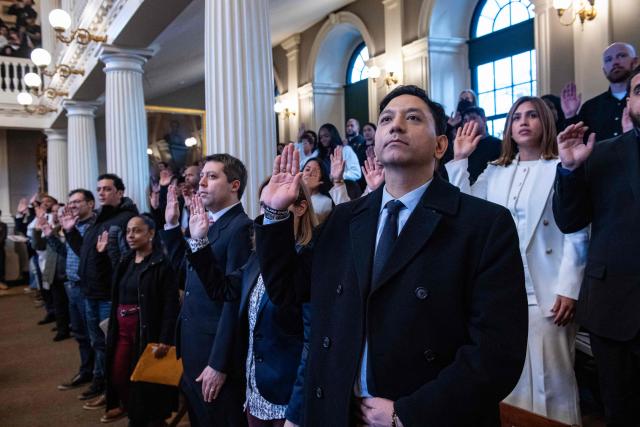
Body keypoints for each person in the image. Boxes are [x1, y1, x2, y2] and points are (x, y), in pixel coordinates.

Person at [255, 85, 527, 426]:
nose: (396, 125)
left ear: (441, 145)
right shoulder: (344, 219)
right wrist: (275, 215)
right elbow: (287, 291)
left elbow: (496, 354)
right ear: (377, 142)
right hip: (342, 413)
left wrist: (409, 413)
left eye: (412, 118)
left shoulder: (483, 224)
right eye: (386, 119)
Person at [446, 96, 589, 425]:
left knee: (554, 382)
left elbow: (577, 231)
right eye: (516, 117)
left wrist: (569, 288)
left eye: (532, 116)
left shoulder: (561, 166)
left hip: (548, 291)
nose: (523, 122)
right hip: (503, 291)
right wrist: (459, 160)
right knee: (510, 382)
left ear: (546, 123)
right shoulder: (495, 171)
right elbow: (464, 210)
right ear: (509, 128)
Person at [186, 182, 316, 427]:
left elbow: (312, 343)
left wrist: (297, 411)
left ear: (300, 208)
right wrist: (199, 242)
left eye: (276, 204)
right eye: (264, 206)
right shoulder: (258, 259)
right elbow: (222, 289)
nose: (267, 212)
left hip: (289, 398)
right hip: (254, 390)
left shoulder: (311, 258)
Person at [552, 65, 640, 426]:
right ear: (629, 103)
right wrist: (570, 171)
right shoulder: (600, 154)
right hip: (617, 311)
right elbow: (571, 221)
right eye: (639, 90)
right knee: (622, 414)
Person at [161, 153, 252, 427]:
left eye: (212, 176)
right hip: (193, 344)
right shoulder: (205, 222)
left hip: (215, 351)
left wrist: (219, 363)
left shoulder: (240, 228)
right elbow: (183, 275)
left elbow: (233, 300)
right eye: (202, 176)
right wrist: (171, 225)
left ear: (234, 185)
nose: (201, 182)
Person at [62, 174, 139, 405]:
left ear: (119, 192)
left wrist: (108, 253)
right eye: (99, 189)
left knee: (112, 345)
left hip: (109, 295)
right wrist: (69, 232)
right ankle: (101, 383)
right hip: (91, 292)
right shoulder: (101, 219)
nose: (102, 193)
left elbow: (129, 262)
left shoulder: (126, 219)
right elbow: (86, 252)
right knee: (97, 343)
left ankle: (113, 392)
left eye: (107, 189)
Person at [100, 215, 180, 425]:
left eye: (136, 230)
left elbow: (170, 306)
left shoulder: (161, 263)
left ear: (151, 233)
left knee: (145, 382)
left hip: (146, 330)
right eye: (128, 231)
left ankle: (147, 420)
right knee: (119, 375)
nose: (130, 236)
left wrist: (165, 338)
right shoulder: (126, 260)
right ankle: (135, 414)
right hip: (122, 330)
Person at [56, 189, 97, 391]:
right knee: (80, 334)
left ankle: (99, 379)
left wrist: (70, 231)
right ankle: (85, 371)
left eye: (77, 202)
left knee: (94, 336)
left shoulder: (93, 227)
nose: (72, 205)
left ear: (90, 204)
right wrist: (50, 236)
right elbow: (67, 253)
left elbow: (85, 254)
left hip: (86, 287)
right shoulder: (74, 225)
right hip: (71, 285)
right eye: (70, 202)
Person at [561, 42, 638, 140]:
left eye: (621, 56)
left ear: (635, 62)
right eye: (608, 59)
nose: (615, 62)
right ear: (604, 70)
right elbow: (576, 144)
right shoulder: (590, 108)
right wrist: (570, 115)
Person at [441, 106, 501, 184]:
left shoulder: (499, 144)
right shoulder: (460, 147)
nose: (468, 122)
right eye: (465, 120)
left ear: (484, 119)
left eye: (473, 118)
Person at [317, 123, 362, 199]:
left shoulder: (346, 150)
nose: (323, 139)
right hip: (326, 192)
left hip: (346, 190)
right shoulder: (320, 153)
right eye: (321, 137)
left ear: (333, 135)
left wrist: (338, 176)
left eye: (326, 136)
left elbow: (356, 173)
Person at [300, 158, 333, 224]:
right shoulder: (293, 195)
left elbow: (313, 225)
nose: (309, 173)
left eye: (314, 172)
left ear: (321, 178)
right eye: (307, 169)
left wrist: (308, 189)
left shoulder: (326, 201)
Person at [0, 210, 6, 290]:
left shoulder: (3, 225)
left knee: (0, 266)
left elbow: (3, 237)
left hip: (0, 249)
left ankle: (1, 282)